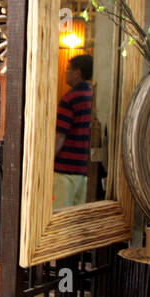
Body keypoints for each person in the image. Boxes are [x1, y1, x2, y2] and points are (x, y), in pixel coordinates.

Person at [54, 54, 93, 209]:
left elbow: (60, 135)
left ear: (77, 72)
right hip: (83, 168)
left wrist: (49, 160)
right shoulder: (92, 96)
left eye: (68, 69)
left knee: (59, 216)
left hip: (65, 169)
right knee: (77, 219)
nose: (65, 72)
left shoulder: (70, 99)